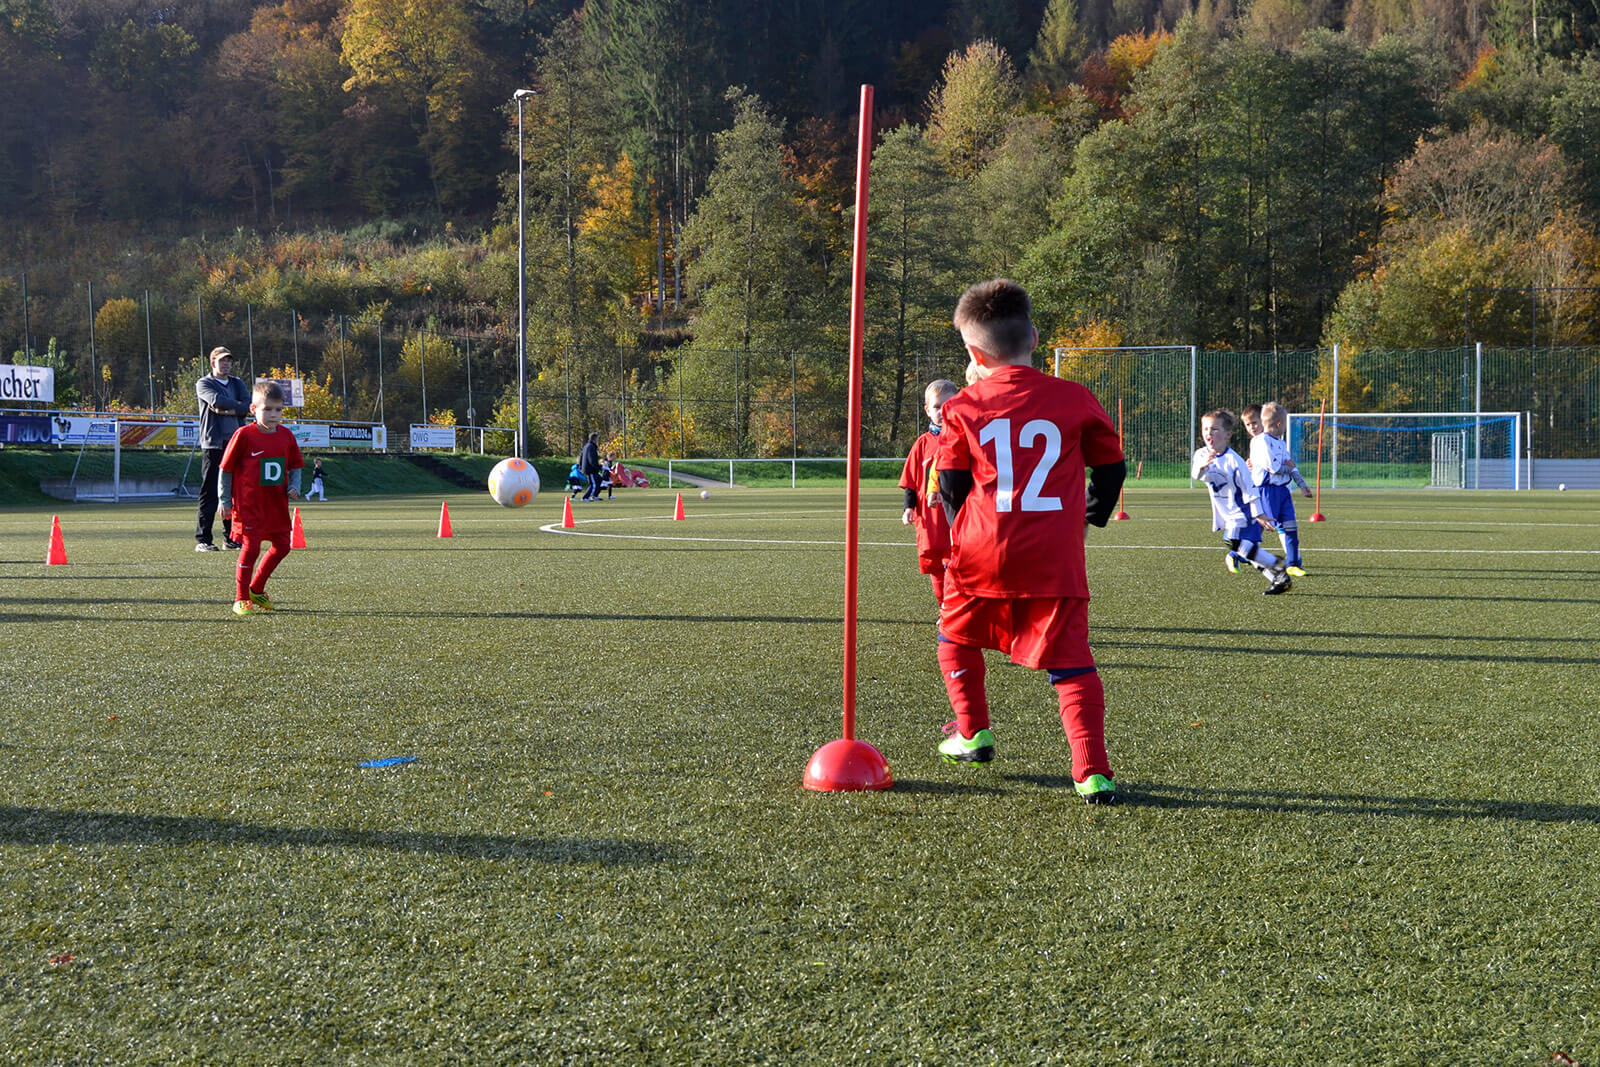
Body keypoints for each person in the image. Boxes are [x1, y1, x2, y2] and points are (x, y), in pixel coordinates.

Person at [933, 279, 1128, 805]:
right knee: (1072, 664)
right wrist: (1092, 516)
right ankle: (1091, 771)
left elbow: (951, 486)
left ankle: (972, 733)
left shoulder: (962, 407)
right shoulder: (1074, 397)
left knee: (955, 637)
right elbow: (1111, 467)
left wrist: (961, 538)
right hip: (1053, 557)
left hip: (980, 553)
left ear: (973, 353)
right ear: (1035, 337)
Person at [219, 382, 304, 615]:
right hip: (249, 506)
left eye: (278, 410)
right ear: (253, 409)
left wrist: (295, 486)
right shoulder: (244, 435)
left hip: (276, 505)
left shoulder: (286, 436)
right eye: (267, 409)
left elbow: (296, 466)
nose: (273, 414)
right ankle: (241, 597)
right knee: (251, 547)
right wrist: (224, 499)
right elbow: (225, 469)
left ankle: (256, 588)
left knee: (283, 546)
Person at [1192, 409, 1291, 595]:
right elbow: (1197, 475)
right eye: (1205, 428)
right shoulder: (1200, 455)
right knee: (1246, 551)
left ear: (1227, 434)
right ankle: (1279, 579)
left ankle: (1275, 563)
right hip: (1227, 512)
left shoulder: (1234, 461)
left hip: (1243, 509)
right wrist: (1202, 466)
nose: (1208, 433)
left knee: (1233, 541)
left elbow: (1250, 489)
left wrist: (1259, 514)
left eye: (1214, 429)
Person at [899, 379, 960, 608]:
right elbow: (911, 481)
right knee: (936, 565)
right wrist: (908, 507)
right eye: (937, 407)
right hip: (931, 517)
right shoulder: (922, 444)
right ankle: (944, 606)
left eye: (948, 405)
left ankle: (957, 607)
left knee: (959, 561)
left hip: (958, 514)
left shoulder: (965, 438)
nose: (942, 411)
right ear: (927, 410)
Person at [194, 347, 252, 551]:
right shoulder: (204, 383)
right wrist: (234, 406)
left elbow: (248, 405)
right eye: (222, 360)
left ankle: (231, 538)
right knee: (210, 492)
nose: (226, 364)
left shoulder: (237, 383)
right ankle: (203, 540)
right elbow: (216, 401)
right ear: (213, 363)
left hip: (235, 443)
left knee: (233, 491)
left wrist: (228, 408)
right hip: (214, 444)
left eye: (229, 360)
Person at [1256, 402, 1310, 576]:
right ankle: (1238, 552)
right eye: (1285, 424)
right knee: (1262, 526)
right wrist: (1287, 467)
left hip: (1283, 492)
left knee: (1291, 528)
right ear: (1279, 424)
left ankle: (1293, 564)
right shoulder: (1261, 441)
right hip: (1267, 491)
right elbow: (1273, 467)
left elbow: (1291, 465)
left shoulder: (1280, 442)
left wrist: (1302, 485)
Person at [579, 432, 602, 501]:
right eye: (597, 438)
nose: (598, 440)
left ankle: (595, 495)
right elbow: (591, 460)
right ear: (594, 439)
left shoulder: (587, 446)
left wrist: (580, 466)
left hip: (591, 468)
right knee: (593, 484)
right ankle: (585, 497)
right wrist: (598, 467)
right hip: (590, 469)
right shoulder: (590, 447)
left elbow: (581, 456)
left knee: (599, 480)